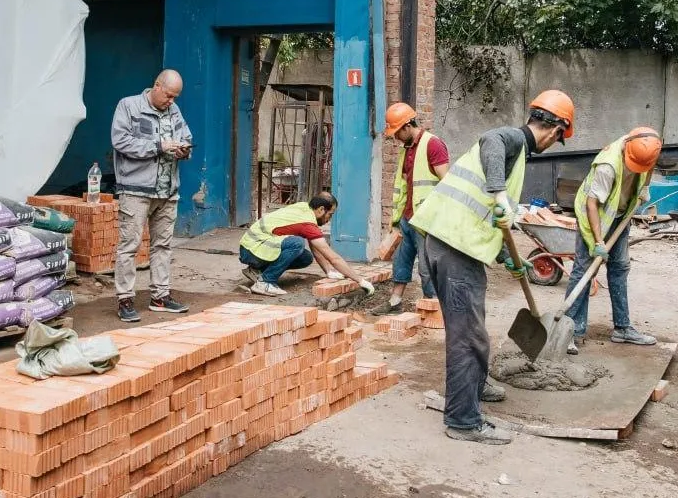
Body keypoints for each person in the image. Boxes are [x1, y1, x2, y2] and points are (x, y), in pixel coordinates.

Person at [410, 89, 576, 445]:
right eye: (560, 137)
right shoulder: (513, 139)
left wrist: (508, 259)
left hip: (449, 244)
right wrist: (500, 193)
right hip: (454, 249)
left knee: (470, 327)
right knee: (468, 337)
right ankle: (463, 421)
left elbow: (487, 217)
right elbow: (491, 138)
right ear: (556, 129)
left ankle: (476, 385)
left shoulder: (517, 156)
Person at [565, 127, 663, 355]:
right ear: (627, 148)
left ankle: (622, 328)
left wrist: (644, 188)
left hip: (620, 215)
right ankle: (570, 331)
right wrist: (599, 242)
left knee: (619, 268)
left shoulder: (648, 146)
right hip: (595, 217)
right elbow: (591, 204)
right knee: (584, 270)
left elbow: (648, 166)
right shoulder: (607, 166)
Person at [109, 69, 193, 322]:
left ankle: (160, 296)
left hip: (168, 190)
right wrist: (159, 146)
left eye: (175, 97)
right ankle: (125, 299)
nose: (171, 101)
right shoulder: (129, 106)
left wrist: (184, 149)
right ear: (156, 86)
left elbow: (186, 136)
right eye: (168, 95)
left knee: (163, 245)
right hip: (136, 189)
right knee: (129, 246)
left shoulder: (174, 111)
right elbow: (120, 141)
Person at [371, 102, 449, 315]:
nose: (395, 137)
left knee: (426, 268)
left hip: (426, 221)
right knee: (401, 262)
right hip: (407, 219)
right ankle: (395, 301)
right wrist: (396, 221)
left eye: (397, 132)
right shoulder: (407, 149)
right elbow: (404, 185)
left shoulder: (433, 145)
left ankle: (433, 307)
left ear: (407, 126)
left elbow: (447, 184)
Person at [239, 191, 376, 297]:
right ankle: (265, 282)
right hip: (252, 250)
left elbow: (315, 246)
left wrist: (328, 271)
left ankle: (257, 271)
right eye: (330, 214)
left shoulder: (304, 207)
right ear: (321, 209)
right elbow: (334, 258)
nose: (329, 219)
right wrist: (360, 280)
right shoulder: (308, 224)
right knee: (297, 244)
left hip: (252, 248)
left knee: (306, 257)